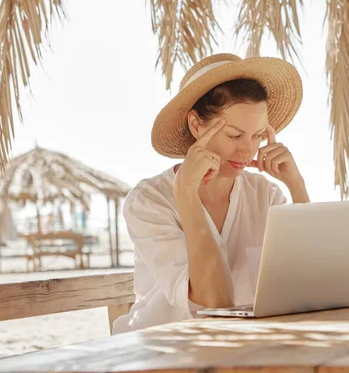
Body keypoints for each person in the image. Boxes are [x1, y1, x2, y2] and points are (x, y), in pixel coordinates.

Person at [113, 53, 309, 334]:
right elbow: (214, 302)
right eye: (234, 135)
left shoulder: (265, 195)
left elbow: (308, 284)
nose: (248, 150)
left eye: (257, 136)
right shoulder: (149, 201)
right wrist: (187, 195)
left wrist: (297, 186)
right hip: (164, 351)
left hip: (241, 350)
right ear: (196, 125)